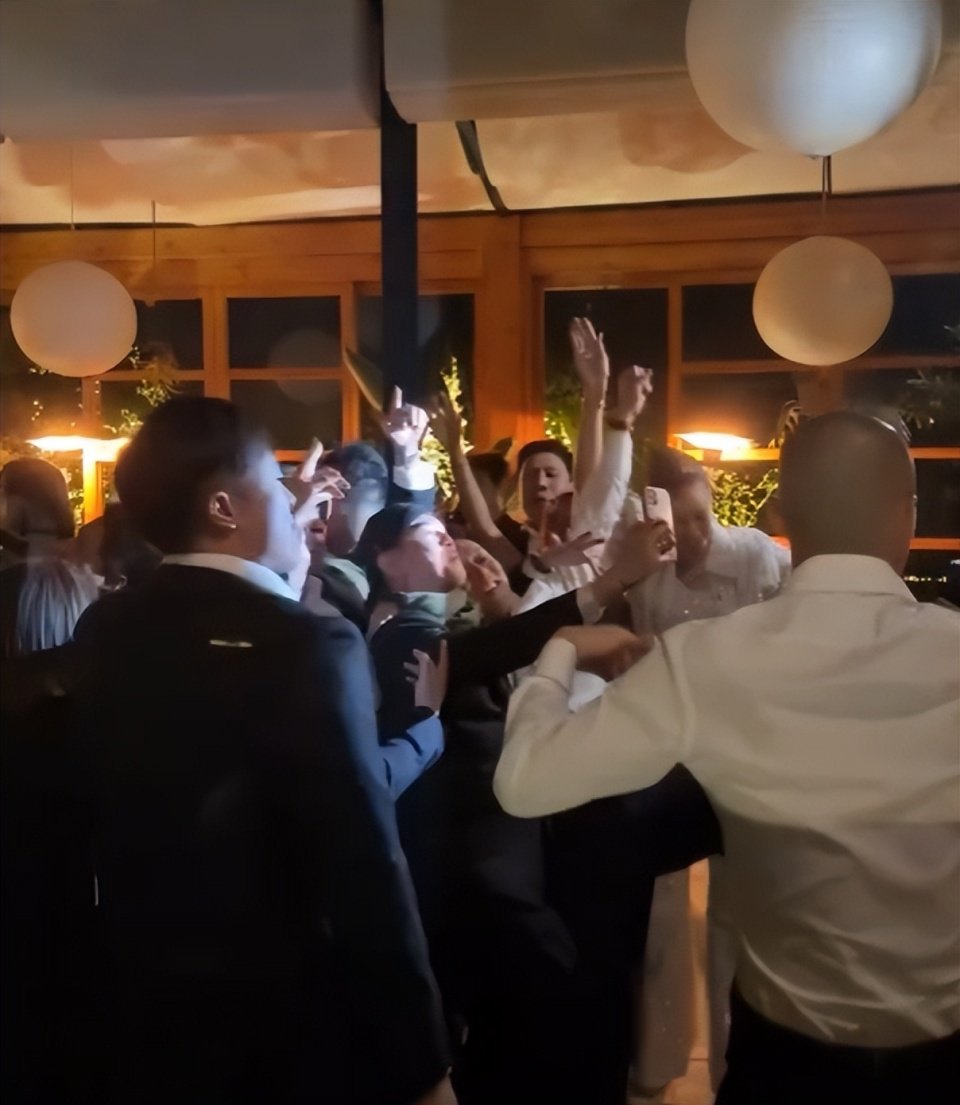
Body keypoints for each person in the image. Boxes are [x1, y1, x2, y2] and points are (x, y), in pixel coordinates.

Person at [496, 411, 960, 1104]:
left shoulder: (707, 656)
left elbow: (525, 779)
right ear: (908, 514)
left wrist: (559, 651)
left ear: (784, 515)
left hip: (785, 1065)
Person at [67, 396, 454, 1105]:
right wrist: (424, 1063)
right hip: (282, 1019)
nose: (293, 501)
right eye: (276, 484)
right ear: (223, 508)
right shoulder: (308, 643)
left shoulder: (107, 625)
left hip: (145, 1008)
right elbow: (364, 863)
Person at [355, 500, 660, 1104]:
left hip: (499, 866)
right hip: (480, 869)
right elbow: (493, 649)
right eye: (428, 533)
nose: (447, 539)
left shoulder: (444, 624)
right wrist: (607, 586)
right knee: (557, 1013)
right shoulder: (402, 633)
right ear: (385, 561)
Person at [623, 447, 791, 1099]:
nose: (693, 534)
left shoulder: (753, 556)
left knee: (733, 918)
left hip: (749, 754)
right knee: (663, 909)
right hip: (672, 751)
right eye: (679, 520)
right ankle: (659, 1060)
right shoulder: (649, 576)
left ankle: (729, 1071)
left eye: (702, 517)